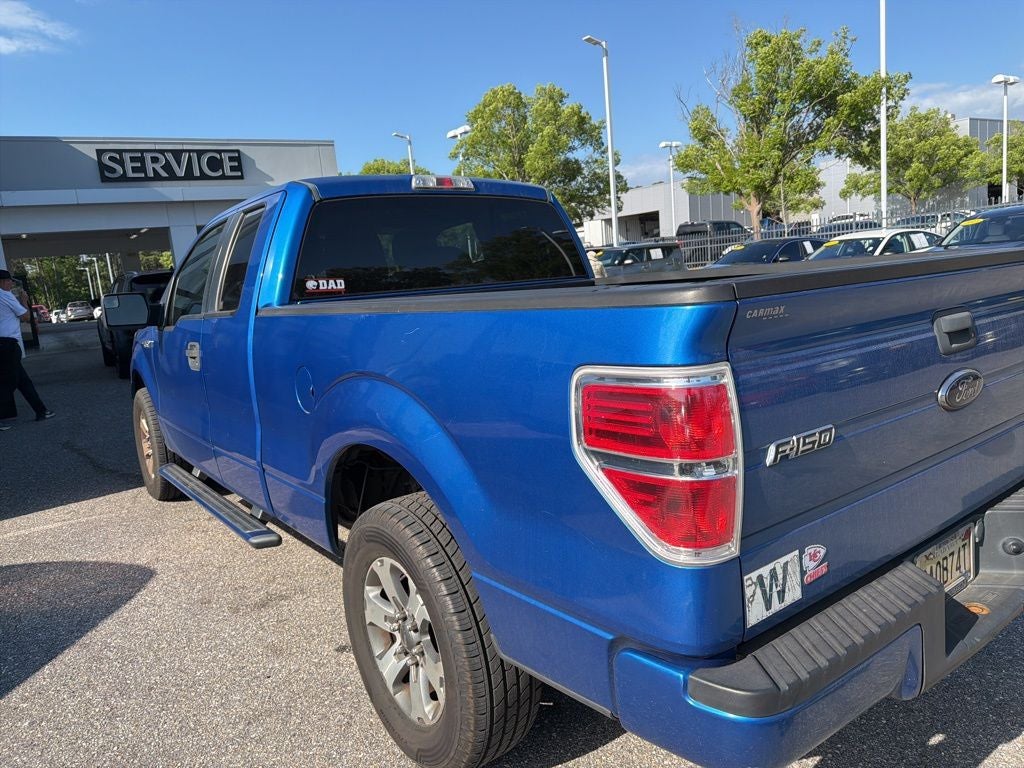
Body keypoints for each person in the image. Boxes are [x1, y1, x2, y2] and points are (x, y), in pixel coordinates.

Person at [0, 269, 54, 431]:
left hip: (4, 345)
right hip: (8, 344)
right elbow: (25, 317)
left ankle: (41, 410)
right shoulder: (4, 295)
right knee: (7, 384)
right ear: (2, 282)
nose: (11, 284)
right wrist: (24, 301)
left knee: (23, 381)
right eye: (9, 281)